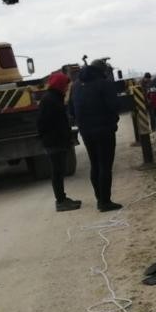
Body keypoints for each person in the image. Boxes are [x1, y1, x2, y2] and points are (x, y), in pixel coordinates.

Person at [72, 60, 122, 212]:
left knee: (95, 164)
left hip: (86, 131)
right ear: (103, 70)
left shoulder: (76, 85)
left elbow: (71, 109)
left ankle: (99, 199)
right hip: (104, 129)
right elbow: (114, 106)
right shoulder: (104, 84)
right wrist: (114, 120)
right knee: (105, 166)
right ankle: (105, 202)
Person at [37, 72, 81, 212]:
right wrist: (57, 137)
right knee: (57, 172)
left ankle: (62, 198)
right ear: (59, 85)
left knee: (59, 171)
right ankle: (60, 201)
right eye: (65, 85)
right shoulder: (50, 100)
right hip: (54, 142)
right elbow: (43, 123)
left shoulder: (53, 98)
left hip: (56, 141)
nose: (67, 88)